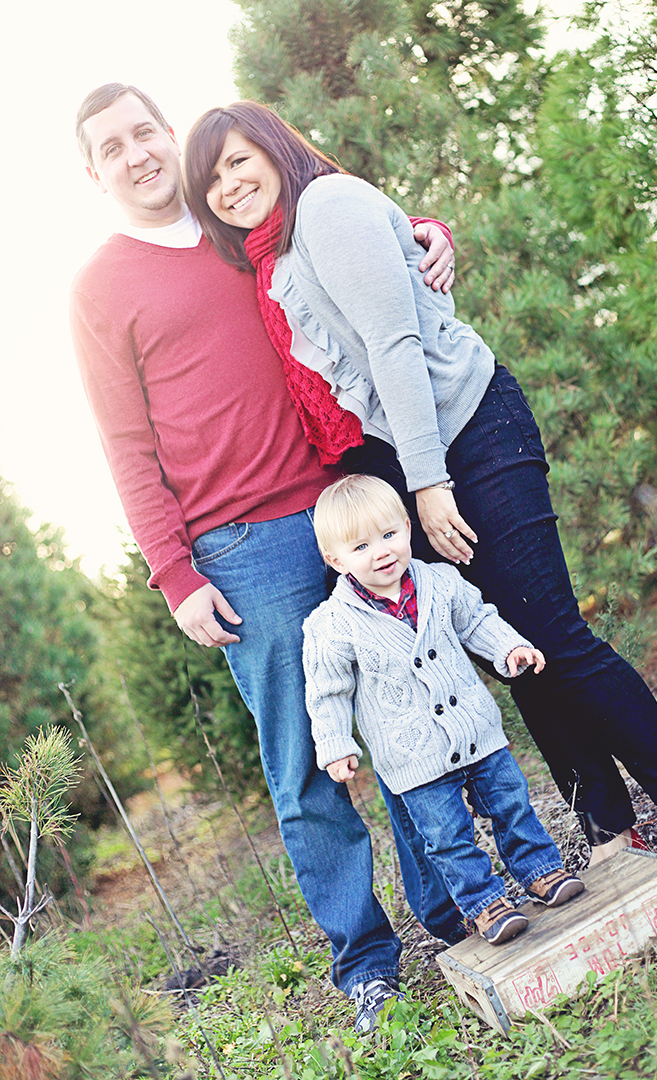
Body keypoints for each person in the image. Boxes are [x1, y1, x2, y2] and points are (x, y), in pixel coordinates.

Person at [182, 100, 657, 890]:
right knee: (513, 648)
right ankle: (608, 827)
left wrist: (430, 482)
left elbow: (396, 344)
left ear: (275, 151)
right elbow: (387, 267)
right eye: (212, 179)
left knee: (553, 633)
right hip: (409, 458)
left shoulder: (325, 205)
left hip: (468, 432)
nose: (229, 185)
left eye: (238, 161)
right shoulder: (274, 257)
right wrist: (421, 231)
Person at [70, 82, 467, 1034]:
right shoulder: (99, 287)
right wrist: (175, 575)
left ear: (171, 135)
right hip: (241, 547)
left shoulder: (230, 224)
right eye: (111, 148)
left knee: (402, 715)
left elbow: (337, 223)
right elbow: (124, 445)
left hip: (345, 507)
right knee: (307, 762)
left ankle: (454, 913)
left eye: (144, 133)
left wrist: (422, 228)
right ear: (95, 172)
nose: (136, 155)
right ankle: (366, 963)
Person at [304, 474, 585, 959]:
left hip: (476, 730)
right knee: (447, 837)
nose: (382, 552)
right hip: (413, 757)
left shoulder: (439, 582)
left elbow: (478, 621)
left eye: (390, 535)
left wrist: (509, 648)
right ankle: (486, 902)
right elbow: (328, 691)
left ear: (407, 527)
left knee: (511, 804)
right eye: (361, 546)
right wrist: (335, 746)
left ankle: (540, 869)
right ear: (336, 560)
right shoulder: (331, 625)